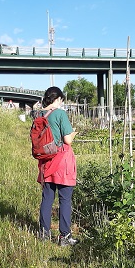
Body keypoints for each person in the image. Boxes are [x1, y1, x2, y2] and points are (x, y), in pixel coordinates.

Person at [37, 86, 78, 246]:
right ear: (58, 99)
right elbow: (67, 140)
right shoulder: (60, 113)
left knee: (47, 198)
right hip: (62, 162)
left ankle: (44, 234)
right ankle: (65, 237)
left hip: (46, 162)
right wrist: (74, 132)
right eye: (61, 100)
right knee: (65, 199)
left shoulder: (39, 114)